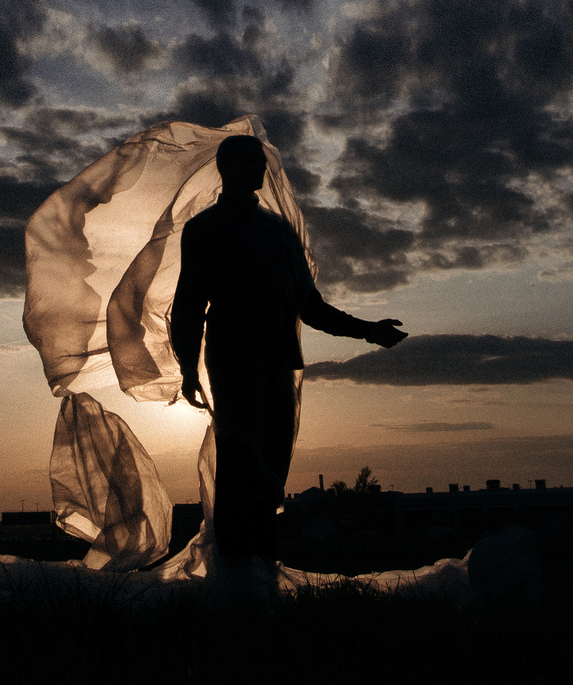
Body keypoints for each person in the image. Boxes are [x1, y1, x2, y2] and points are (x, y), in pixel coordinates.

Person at [168, 135, 406, 568]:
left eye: (263, 160)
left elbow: (309, 306)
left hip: (279, 365)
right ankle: (236, 575)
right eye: (255, 160)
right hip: (233, 365)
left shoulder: (280, 231)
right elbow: (188, 306)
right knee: (239, 469)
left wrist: (368, 331)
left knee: (271, 474)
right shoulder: (204, 229)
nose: (264, 167)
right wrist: (187, 368)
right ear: (229, 167)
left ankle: (261, 570)